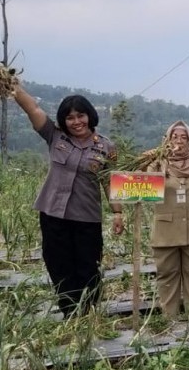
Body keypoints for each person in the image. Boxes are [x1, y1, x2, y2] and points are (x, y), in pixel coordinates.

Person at [11, 85, 123, 318]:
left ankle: (89, 312)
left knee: (88, 266)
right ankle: (71, 314)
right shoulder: (54, 135)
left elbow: (110, 182)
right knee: (58, 264)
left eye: (80, 115)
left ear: (89, 116)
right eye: (69, 117)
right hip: (53, 214)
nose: (76, 122)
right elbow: (32, 108)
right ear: (64, 120)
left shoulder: (106, 146)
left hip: (86, 217)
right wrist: (11, 84)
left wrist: (118, 213)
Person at [148, 121, 189, 317]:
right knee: (167, 275)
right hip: (165, 231)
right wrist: (154, 162)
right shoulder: (157, 164)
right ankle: (169, 317)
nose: (179, 141)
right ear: (167, 140)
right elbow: (145, 191)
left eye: (183, 137)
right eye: (174, 137)